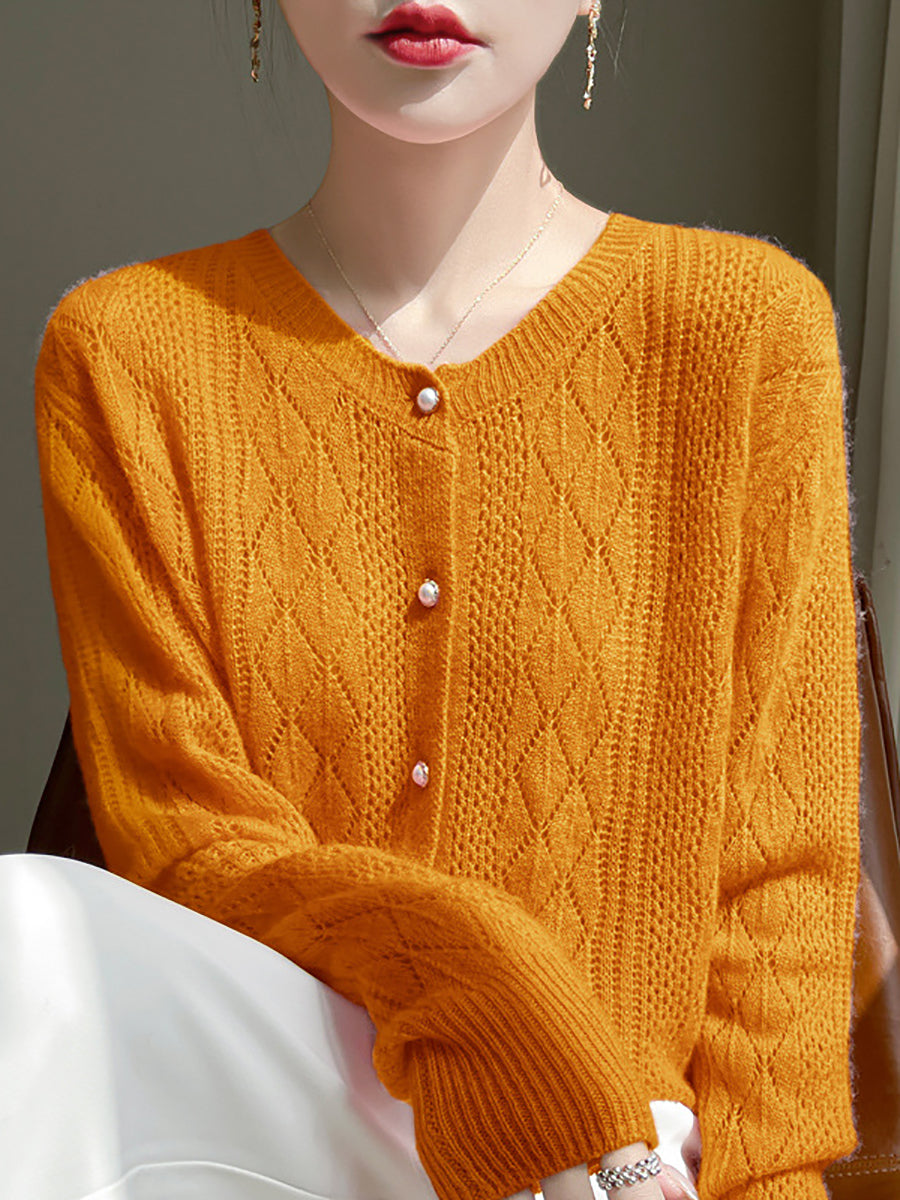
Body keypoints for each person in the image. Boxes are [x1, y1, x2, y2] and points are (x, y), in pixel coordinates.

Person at [8, 2, 861, 1199]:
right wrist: (486, 983)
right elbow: (185, 836)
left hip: (619, 1162)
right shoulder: (127, 355)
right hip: (267, 1120)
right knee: (25, 922)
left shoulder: (744, 333)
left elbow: (784, 864)